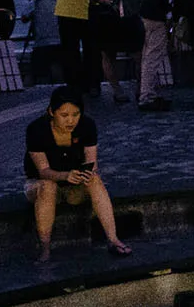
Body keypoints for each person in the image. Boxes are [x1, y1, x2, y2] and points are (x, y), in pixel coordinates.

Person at [24, 85, 130, 258]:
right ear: (52, 112)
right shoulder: (36, 129)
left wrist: (86, 173)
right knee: (48, 186)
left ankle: (113, 239)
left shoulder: (87, 126)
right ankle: (45, 247)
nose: (70, 121)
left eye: (75, 115)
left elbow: (91, 161)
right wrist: (65, 175)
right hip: (40, 185)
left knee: (94, 180)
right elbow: (43, 170)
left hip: (74, 185)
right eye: (64, 115)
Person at [83, 0, 139, 106]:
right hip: (105, 18)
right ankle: (116, 89)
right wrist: (106, 1)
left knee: (137, 53)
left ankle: (141, 86)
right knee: (108, 54)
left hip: (127, 16)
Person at [24, 0, 64, 84]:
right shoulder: (61, 2)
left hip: (42, 43)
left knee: (39, 72)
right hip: (60, 42)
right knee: (59, 68)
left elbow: (24, 18)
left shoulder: (36, 3)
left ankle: (42, 90)